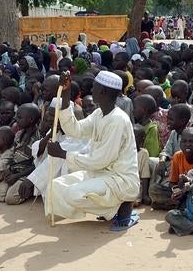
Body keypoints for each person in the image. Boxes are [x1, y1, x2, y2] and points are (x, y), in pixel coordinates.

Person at [47, 71, 140, 230]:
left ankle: (117, 208)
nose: (91, 91)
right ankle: (112, 209)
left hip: (119, 179)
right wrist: (67, 92)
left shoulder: (117, 120)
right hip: (100, 173)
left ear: (102, 91)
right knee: (56, 185)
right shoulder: (99, 113)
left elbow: (100, 160)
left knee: (72, 194)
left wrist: (63, 154)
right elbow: (75, 130)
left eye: (94, 87)